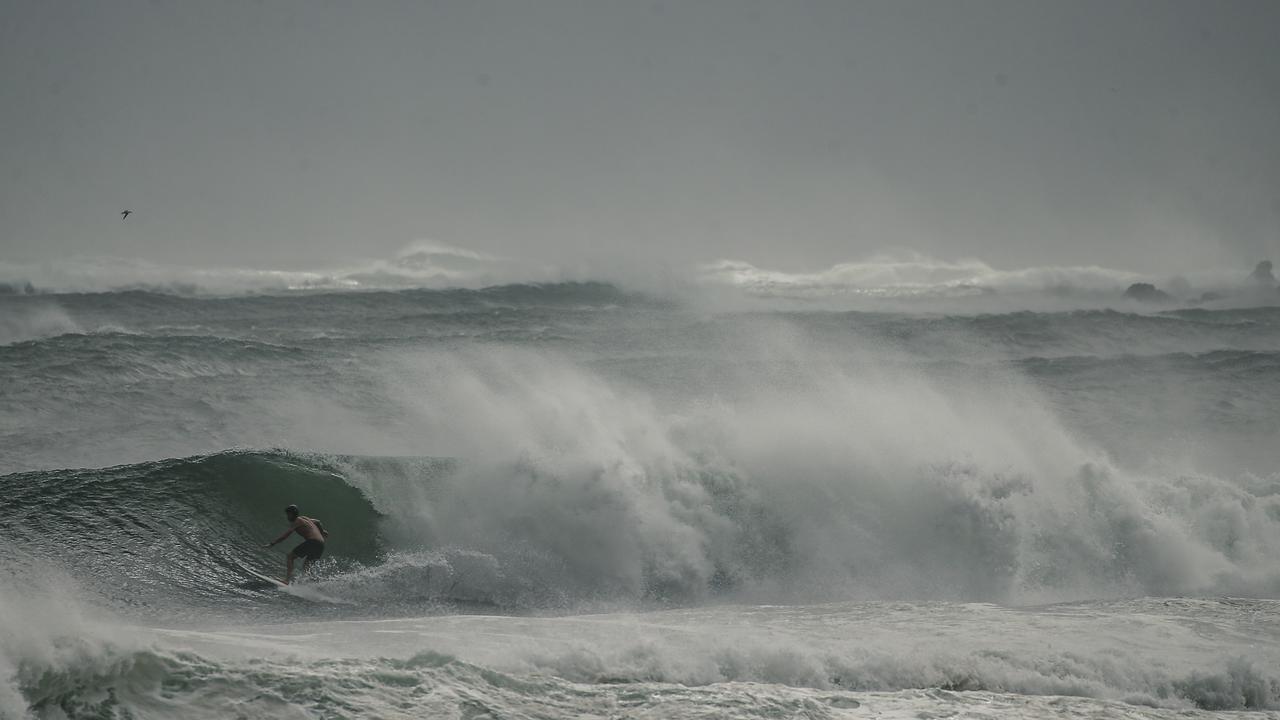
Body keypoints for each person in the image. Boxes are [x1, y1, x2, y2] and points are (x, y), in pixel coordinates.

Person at [266, 504, 329, 584]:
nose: (287, 516)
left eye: (288, 514)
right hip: (321, 544)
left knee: (290, 557)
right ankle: (311, 584)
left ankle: (286, 580)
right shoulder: (305, 519)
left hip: (313, 542)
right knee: (307, 567)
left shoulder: (297, 521)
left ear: (292, 514)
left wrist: (272, 543)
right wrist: (322, 531)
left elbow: (286, 535)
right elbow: (317, 522)